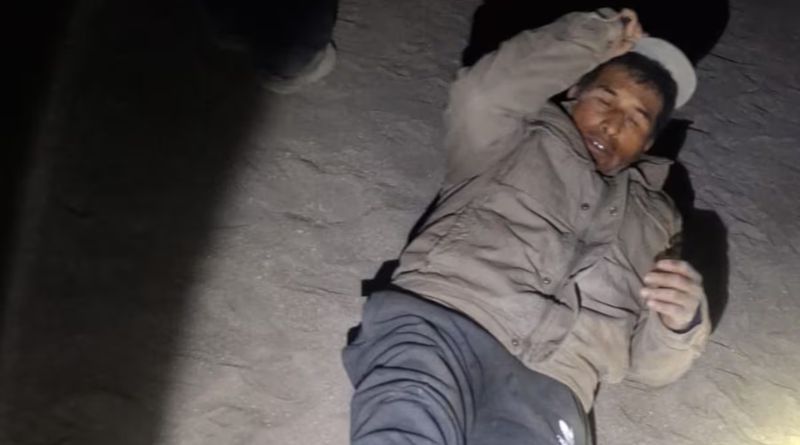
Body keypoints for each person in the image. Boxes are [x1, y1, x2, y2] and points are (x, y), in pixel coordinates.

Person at [343, 8, 710, 445]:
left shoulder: (661, 219)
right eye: (604, 100)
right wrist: (597, 36)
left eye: (635, 120)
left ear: (647, 144)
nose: (613, 124)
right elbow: (483, 93)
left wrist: (681, 324)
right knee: (406, 427)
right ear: (574, 90)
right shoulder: (511, 135)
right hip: (441, 322)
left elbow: (649, 369)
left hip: (554, 386)